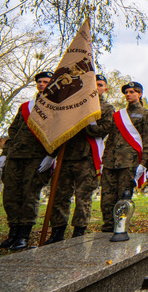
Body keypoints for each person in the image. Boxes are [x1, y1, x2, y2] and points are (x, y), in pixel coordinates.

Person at [45, 74, 114, 243]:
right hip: (65, 155)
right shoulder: (72, 104)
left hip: (87, 158)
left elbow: (103, 129)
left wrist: (88, 122)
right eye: (93, 84)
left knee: (83, 197)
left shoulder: (106, 108)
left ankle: (78, 232)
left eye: (99, 84)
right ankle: (57, 231)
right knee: (60, 196)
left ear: (105, 88)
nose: (96, 87)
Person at [0, 71, 53, 251]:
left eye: (46, 82)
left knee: (29, 195)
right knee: (11, 195)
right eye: (39, 81)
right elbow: (14, 131)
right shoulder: (26, 107)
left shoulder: (57, 108)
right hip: (15, 156)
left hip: (37, 157)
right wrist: (4, 153)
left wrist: (52, 155)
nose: (42, 84)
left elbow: (58, 134)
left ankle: (24, 236)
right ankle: (12, 235)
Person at [100, 81, 148, 232]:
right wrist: (104, 159)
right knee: (106, 198)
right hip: (111, 162)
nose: (128, 95)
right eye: (127, 92)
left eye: (132, 92)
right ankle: (107, 227)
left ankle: (120, 228)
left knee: (123, 198)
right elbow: (110, 139)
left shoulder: (145, 114)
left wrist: (144, 163)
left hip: (129, 162)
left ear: (139, 94)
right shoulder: (118, 115)